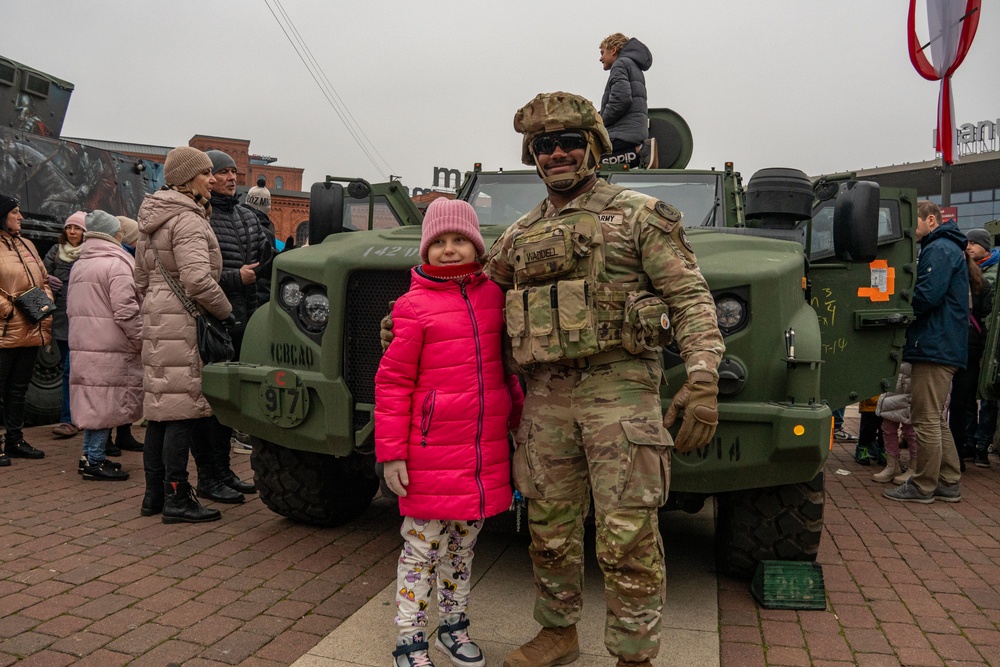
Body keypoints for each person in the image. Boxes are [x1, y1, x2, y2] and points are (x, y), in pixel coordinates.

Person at [498, 92, 724, 667]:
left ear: (594, 147)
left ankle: (633, 655)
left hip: (619, 389)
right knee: (548, 526)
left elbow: (691, 300)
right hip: (547, 394)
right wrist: (411, 317)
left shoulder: (640, 216)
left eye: (571, 141)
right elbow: (475, 291)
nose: (558, 154)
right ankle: (557, 632)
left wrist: (701, 378)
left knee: (628, 533)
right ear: (533, 156)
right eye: (545, 146)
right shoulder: (520, 234)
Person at [376, 197, 524, 667]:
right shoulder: (413, 306)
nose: (449, 249)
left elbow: (507, 369)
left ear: (477, 246)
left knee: (462, 550)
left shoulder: (495, 298)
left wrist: (516, 422)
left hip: (481, 455)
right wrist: (392, 452)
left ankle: (454, 626)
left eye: (459, 239)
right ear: (425, 250)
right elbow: (393, 381)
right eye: (438, 241)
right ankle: (410, 638)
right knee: (421, 551)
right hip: (429, 454)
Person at [135, 146, 233, 523]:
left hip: (158, 319)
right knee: (181, 412)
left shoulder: (151, 218)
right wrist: (226, 312)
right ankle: (177, 498)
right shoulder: (188, 219)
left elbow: (139, 279)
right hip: (183, 320)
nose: (212, 179)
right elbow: (196, 280)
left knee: (160, 411)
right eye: (206, 173)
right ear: (186, 178)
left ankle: (153, 496)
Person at [196, 150, 271, 501]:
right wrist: (235, 278)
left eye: (232, 171)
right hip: (212, 322)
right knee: (209, 404)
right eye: (221, 172)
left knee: (230, 404)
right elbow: (195, 276)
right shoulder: (201, 217)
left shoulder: (248, 217)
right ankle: (209, 476)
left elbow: (266, 268)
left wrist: (261, 314)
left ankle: (224, 472)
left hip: (244, 321)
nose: (229, 177)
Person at [884, 201, 969, 504]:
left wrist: (898, 308)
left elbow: (926, 296)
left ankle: (923, 486)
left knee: (926, 419)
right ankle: (948, 480)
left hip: (934, 345)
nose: (910, 229)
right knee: (935, 418)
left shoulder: (939, 249)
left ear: (930, 220)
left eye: (913, 221)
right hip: (942, 345)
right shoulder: (947, 247)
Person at [66, 210, 142, 481]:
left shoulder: (81, 263)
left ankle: (89, 457)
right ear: (115, 234)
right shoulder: (117, 263)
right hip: (111, 344)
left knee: (94, 402)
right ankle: (95, 460)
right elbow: (126, 310)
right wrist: (141, 338)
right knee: (105, 402)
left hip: (86, 341)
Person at [0, 194, 52, 465]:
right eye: (15, 212)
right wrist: (8, 309)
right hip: (4, 330)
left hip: (31, 327)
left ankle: (15, 440)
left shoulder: (27, 244)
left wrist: (47, 302)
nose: (21, 217)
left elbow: (43, 278)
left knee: (19, 389)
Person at [948, 241, 992, 469]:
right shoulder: (981, 283)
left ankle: (950, 454)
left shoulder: (951, 278)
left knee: (945, 402)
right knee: (962, 403)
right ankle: (959, 451)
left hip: (952, 344)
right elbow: (987, 320)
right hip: (972, 348)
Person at [44, 210, 86, 440]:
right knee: (68, 370)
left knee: (74, 370)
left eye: (77, 228)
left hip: (83, 319)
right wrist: (47, 279)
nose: (71, 232)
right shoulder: (55, 252)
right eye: (69, 228)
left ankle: (71, 419)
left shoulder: (89, 253)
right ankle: (71, 419)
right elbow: (41, 274)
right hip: (61, 319)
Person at [962, 227, 998, 467]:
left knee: (988, 397)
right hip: (974, 340)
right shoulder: (969, 269)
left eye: (975, 243)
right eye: (968, 243)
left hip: (989, 343)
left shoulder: (992, 272)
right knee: (966, 396)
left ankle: (981, 444)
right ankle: (969, 442)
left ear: (986, 245)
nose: (969, 246)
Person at [598, 33, 652, 156]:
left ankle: (641, 152)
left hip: (622, 134)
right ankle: (639, 151)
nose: (600, 59)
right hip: (635, 131)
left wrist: (599, 123)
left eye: (602, 53)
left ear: (613, 50)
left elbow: (621, 99)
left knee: (590, 161)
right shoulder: (633, 66)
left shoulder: (620, 64)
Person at [874, 362, 918, 483]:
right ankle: (892, 466)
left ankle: (914, 467)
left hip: (909, 381)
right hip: (895, 378)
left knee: (910, 429)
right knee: (887, 426)